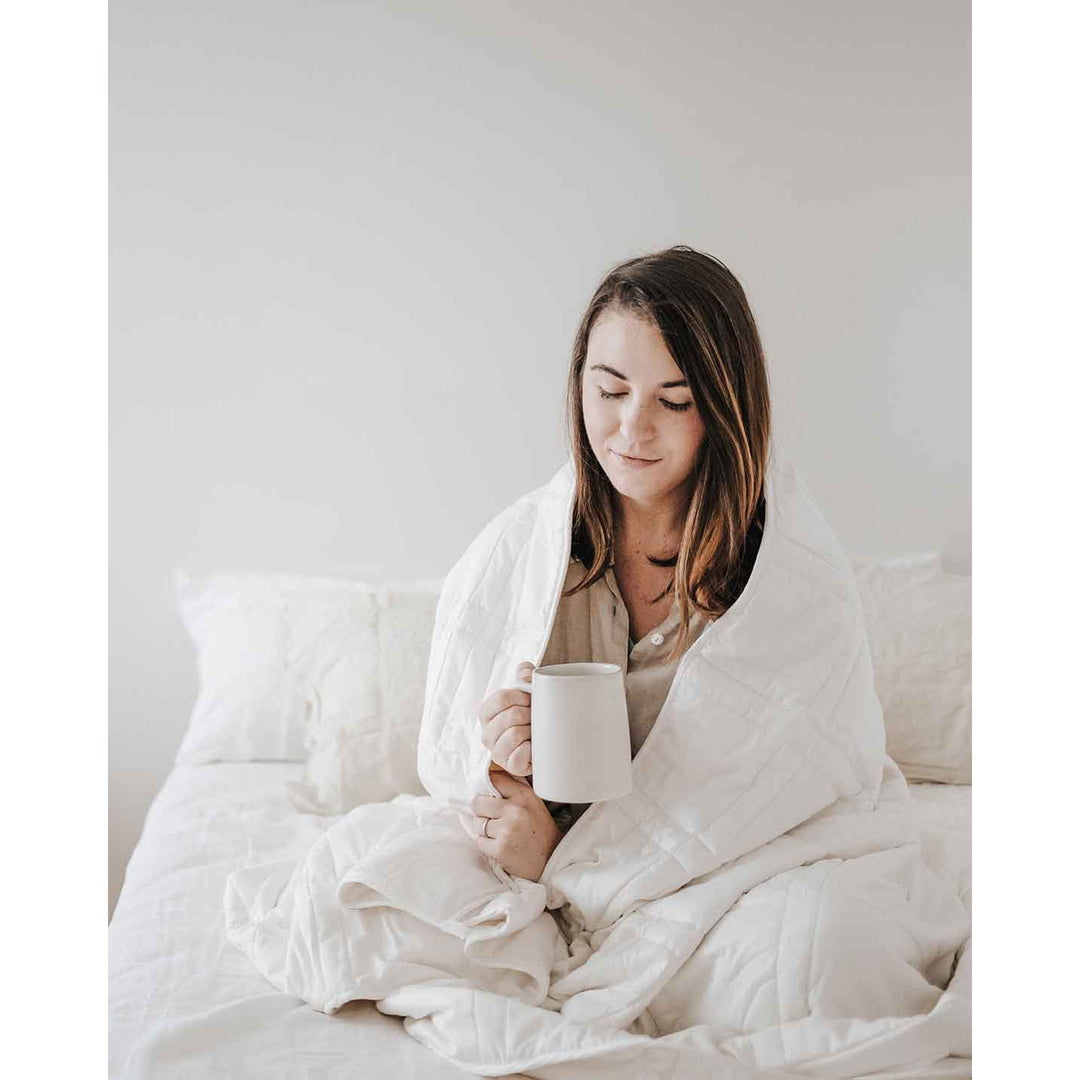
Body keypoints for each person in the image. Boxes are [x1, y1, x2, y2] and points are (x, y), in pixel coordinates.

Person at [468, 245, 770, 883]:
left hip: (722, 865)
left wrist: (565, 865)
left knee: (820, 938)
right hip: (544, 851)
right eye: (611, 390)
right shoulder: (528, 550)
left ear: (724, 413)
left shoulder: (779, 568)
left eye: (677, 401)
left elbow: (790, 777)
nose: (633, 431)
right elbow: (455, 758)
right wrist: (506, 758)